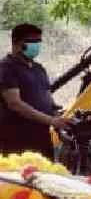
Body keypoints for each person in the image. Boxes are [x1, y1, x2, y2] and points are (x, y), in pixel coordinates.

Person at [1, 23, 68, 158]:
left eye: (38, 41)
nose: (37, 45)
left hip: (42, 139)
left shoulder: (39, 69)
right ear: (17, 42)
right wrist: (51, 120)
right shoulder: (6, 68)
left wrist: (57, 117)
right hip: (16, 140)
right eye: (33, 41)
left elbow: (48, 99)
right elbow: (15, 103)